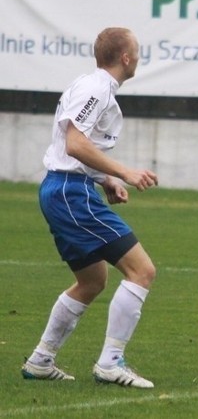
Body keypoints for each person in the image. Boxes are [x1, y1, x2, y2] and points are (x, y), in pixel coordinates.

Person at [21, 27, 158, 389]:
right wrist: (124, 172)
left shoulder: (93, 85)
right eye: (138, 52)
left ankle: (41, 360)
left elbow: (77, 148)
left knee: (92, 280)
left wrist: (106, 180)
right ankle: (111, 363)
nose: (139, 58)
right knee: (142, 271)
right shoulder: (96, 88)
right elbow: (75, 144)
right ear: (126, 58)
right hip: (70, 192)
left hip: (65, 188)